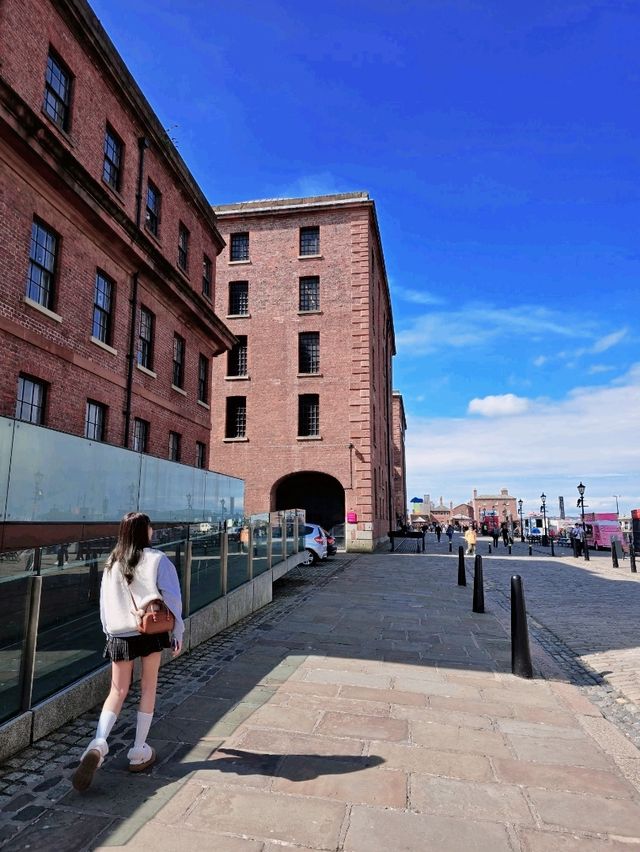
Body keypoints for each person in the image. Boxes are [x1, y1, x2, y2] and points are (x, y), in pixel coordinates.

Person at [72, 512, 183, 792]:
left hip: (118, 633)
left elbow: (103, 603)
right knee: (148, 687)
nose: (153, 530)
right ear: (144, 531)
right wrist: (178, 631)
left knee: (117, 691)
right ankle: (138, 750)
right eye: (149, 527)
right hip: (149, 631)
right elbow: (172, 598)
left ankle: (98, 742)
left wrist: (110, 632)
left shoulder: (112, 562)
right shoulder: (157, 559)